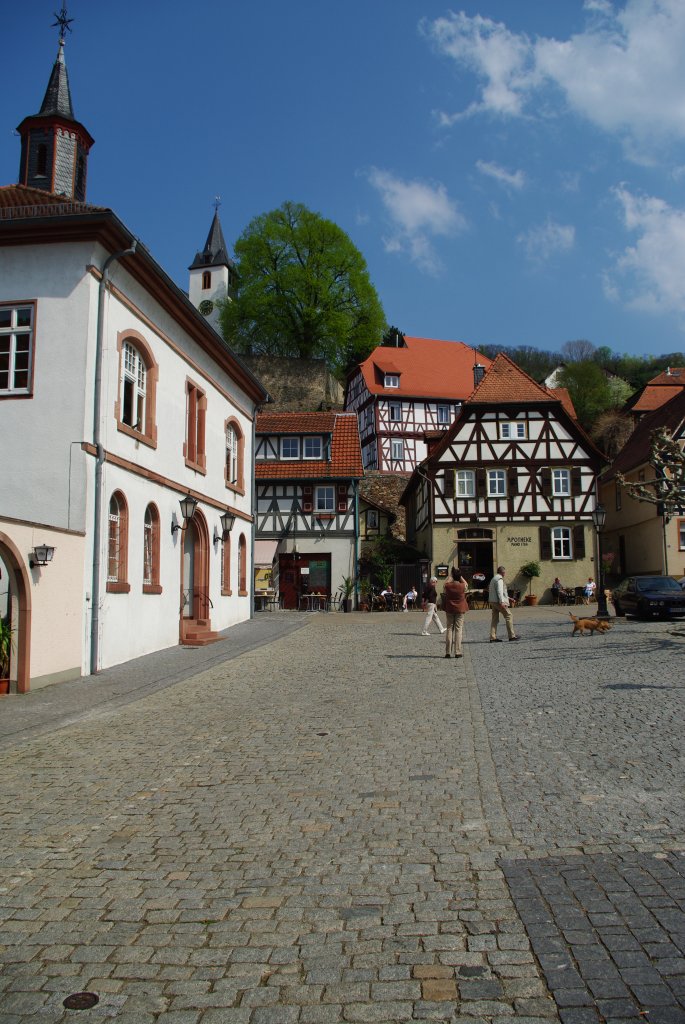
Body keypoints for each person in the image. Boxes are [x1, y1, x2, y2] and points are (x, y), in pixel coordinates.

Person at [442, 567, 469, 658]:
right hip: (460, 609)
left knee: (449, 629)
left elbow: (445, 584)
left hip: (449, 608)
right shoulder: (462, 586)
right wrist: (459, 576)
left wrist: (451, 575)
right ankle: (458, 652)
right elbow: (466, 584)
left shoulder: (448, 586)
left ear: (453, 576)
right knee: (458, 629)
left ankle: (448, 652)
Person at [488, 566, 519, 642]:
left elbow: (500, 592)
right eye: (504, 572)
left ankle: (493, 637)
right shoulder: (499, 579)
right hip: (498, 601)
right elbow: (499, 591)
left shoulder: (494, 578)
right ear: (503, 572)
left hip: (493, 601)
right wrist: (502, 602)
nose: (505, 574)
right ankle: (511, 636)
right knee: (509, 615)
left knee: (495, 619)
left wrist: (509, 598)